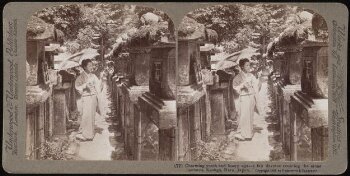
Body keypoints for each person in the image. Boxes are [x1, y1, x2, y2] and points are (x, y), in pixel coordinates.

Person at [232, 58, 261, 141]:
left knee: (250, 115)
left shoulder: (251, 76)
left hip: (251, 97)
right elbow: (235, 88)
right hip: (243, 97)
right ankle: (240, 134)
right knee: (243, 116)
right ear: (242, 67)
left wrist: (255, 85)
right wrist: (242, 86)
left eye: (249, 65)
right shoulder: (237, 77)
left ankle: (248, 134)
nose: (249, 67)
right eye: (247, 65)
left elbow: (256, 86)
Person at [74, 59, 102, 141]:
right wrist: (85, 86)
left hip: (93, 97)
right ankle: (84, 134)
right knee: (86, 116)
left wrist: (101, 82)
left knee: (92, 116)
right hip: (86, 97)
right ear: (84, 67)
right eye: (89, 65)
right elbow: (77, 87)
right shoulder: (80, 77)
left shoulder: (93, 76)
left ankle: (90, 134)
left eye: (92, 65)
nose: (91, 67)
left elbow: (98, 86)